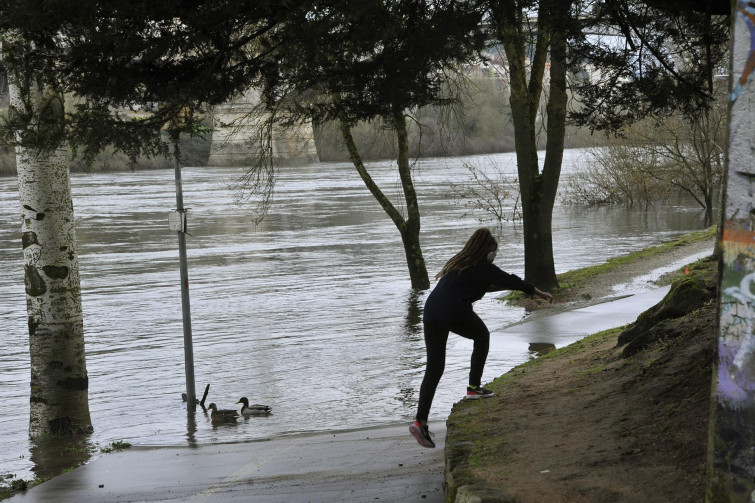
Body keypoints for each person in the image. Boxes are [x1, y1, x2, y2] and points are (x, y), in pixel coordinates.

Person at [409, 228, 553, 448]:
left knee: (434, 368)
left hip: (431, 312)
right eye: (494, 253)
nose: (495, 256)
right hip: (452, 310)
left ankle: (420, 421)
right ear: (487, 252)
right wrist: (537, 291)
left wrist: (521, 288)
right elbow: (509, 280)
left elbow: (493, 284)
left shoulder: (459, 263)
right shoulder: (482, 266)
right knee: (482, 336)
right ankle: (474, 388)